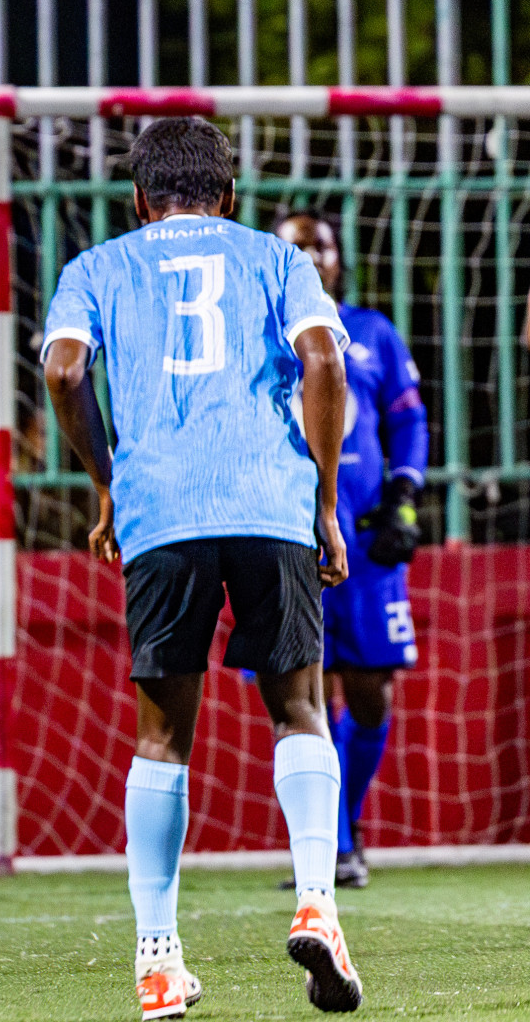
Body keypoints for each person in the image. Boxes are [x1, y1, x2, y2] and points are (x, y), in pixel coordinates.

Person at [41, 117, 362, 1018]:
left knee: (161, 739)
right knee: (299, 708)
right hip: (269, 502)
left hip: (162, 513)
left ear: (138, 198)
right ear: (228, 193)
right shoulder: (276, 257)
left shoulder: (97, 267)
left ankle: (157, 958)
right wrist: (324, 502)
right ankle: (317, 903)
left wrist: (107, 483)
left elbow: (63, 373)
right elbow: (323, 358)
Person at [273, 210, 428, 890]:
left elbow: (409, 418)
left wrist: (405, 495)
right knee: (299, 697)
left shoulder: (372, 332)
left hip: (363, 547)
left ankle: (347, 823)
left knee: (369, 699)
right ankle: (333, 847)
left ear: (339, 258)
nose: (310, 255)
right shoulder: (259, 331)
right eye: (295, 246)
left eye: (321, 245)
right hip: (286, 541)